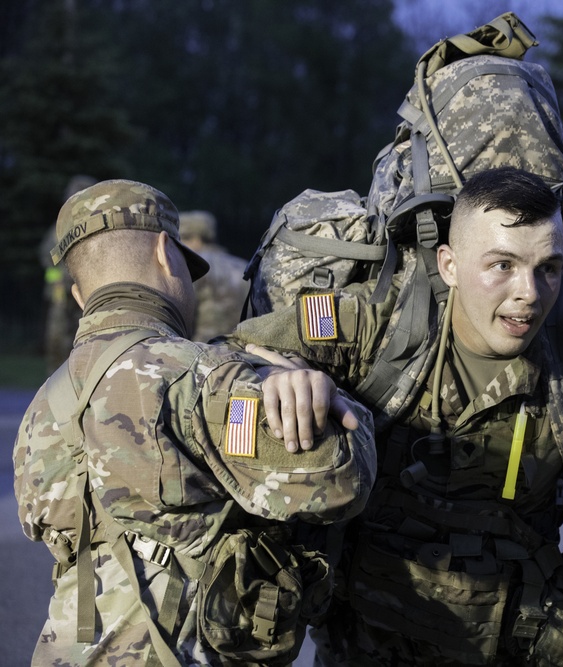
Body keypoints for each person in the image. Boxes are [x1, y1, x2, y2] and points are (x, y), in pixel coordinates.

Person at [232, 166, 563, 666]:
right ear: (449, 264)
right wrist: (279, 373)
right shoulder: (377, 326)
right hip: (363, 641)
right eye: (502, 265)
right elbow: (233, 352)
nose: (529, 292)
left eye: (547, 268)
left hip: (512, 646)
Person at [13, 179, 378, 666]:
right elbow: (341, 479)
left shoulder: (43, 402)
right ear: (167, 255)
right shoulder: (199, 377)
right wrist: (321, 389)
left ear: (79, 295)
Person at [39, 174, 97, 372]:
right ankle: (55, 380)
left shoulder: (96, 226)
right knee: (57, 339)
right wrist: (56, 285)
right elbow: (48, 259)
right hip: (62, 294)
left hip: (88, 292)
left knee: (87, 337)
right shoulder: (59, 228)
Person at [178, 209, 250, 341]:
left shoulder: (192, 267)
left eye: (181, 238)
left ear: (196, 240)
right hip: (246, 351)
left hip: (203, 352)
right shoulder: (244, 266)